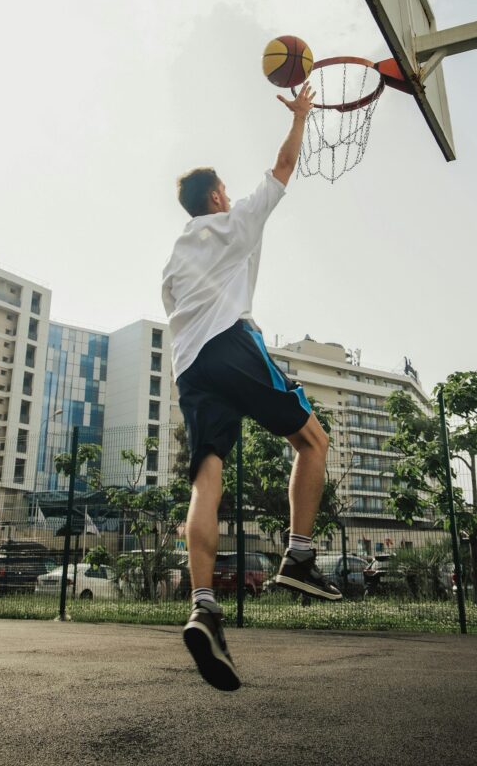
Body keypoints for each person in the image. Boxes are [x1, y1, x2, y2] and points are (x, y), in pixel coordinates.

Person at [161, 81, 341, 692]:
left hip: (189, 366)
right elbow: (285, 167)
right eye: (225, 190)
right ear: (215, 195)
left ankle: (204, 605)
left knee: (206, 476)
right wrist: (301, 116)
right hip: (230, 343)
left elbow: (176, 309)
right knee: (312, 441)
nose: (231, 195)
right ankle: (300, 555)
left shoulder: (176, 256)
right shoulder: (233, 222)